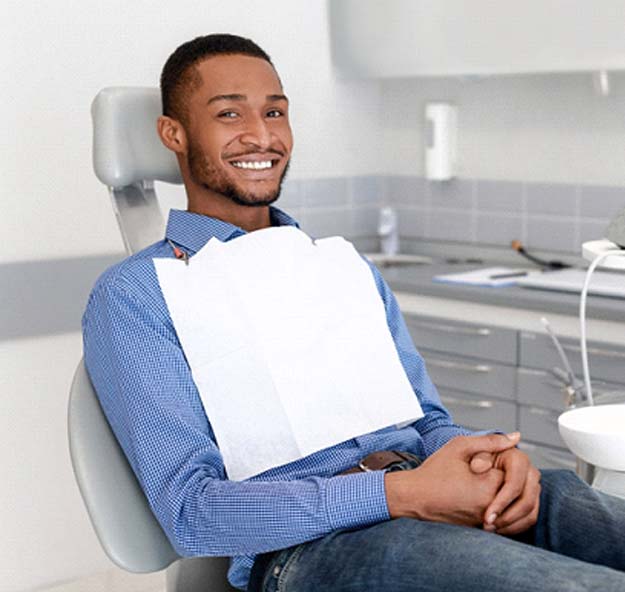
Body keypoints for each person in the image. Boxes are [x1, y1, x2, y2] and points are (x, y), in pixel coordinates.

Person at [83, 34, 625, 591]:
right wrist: (399, 496)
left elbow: (426, 423)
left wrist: (485, 457)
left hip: (421, 489)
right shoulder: (137, 295)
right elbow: (193, 514)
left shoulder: (340, 267)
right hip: (317, 547)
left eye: (275, 112)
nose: (262, 134)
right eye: (229, 113)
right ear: (173, 133)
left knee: (575, 502)